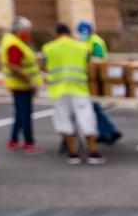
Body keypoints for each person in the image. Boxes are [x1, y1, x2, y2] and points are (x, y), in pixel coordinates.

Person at [42, 23, 104, 165]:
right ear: (69, 33)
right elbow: (88, 65)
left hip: (58, 91)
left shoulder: (48, 48)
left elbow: (45, 67)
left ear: (56, 34)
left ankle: (73, 153)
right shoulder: (82, 47)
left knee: (64, 121)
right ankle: (92, 153)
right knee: (87, 119)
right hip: (79, 89)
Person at [0, 16, 44, 154]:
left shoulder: (13, 41)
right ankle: (28, 142)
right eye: (27, 31)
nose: (28, 34)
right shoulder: (14, 45)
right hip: (21, 85)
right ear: (19, 31)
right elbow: (13, 65)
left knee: (20, 114)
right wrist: (30, 80)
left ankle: (13, 140)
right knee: (25, 115)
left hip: (18, 85)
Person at [76, 20, 122, 145]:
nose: (82, 34)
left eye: (84, 32)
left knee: (94, 107)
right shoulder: (86, 42)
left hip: (95, 80)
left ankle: (110, 130)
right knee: (94, 108)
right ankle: (105, 132)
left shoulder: (95, 42)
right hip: (91, 79)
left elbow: (98, 61)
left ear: (91, 30)